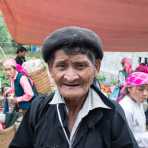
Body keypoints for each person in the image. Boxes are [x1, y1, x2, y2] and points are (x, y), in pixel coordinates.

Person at [9, 26, 138, 148]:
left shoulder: (112, 114)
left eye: (80, 65)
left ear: (96, 67)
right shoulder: (38, 110)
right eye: (61, 66)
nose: (70, 77)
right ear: (50, 69)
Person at [119, 72, 148, 148]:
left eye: (147, 89)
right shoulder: (126, 108)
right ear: (129, 88)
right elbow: (126, 138)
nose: (145, 93)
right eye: (141, 89)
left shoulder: (138, 102)